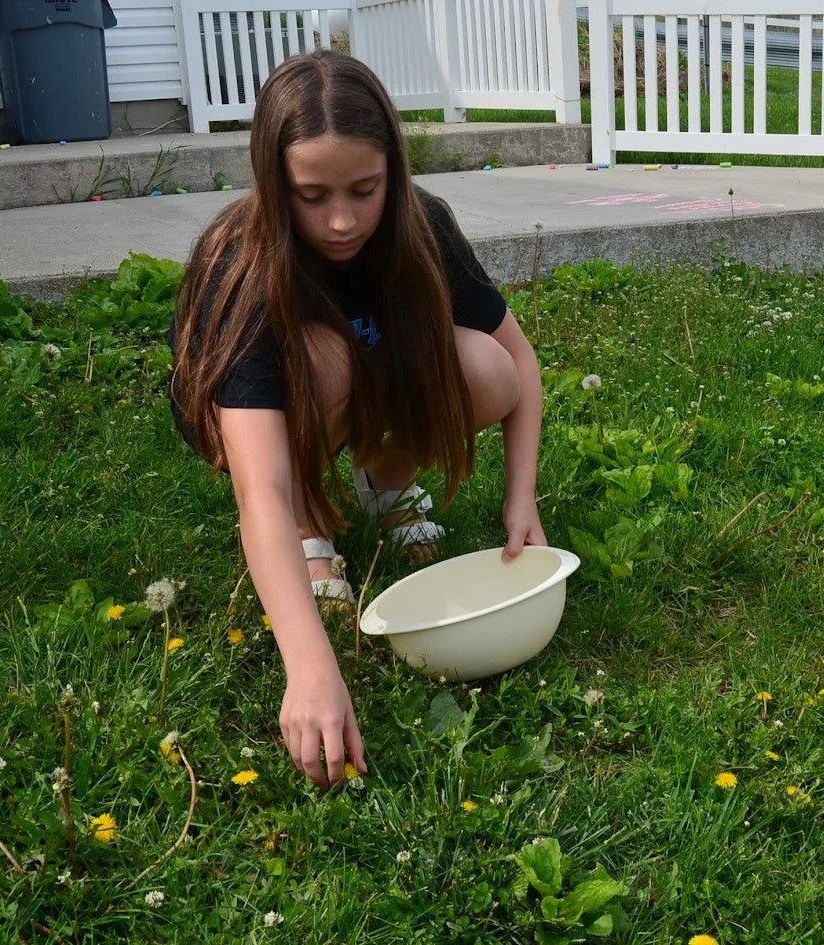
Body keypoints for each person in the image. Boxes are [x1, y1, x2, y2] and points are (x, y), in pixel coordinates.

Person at [167, 51, 546, 790]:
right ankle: (317, 530)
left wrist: (521, 496)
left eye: (364, 190)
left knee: (481, 367)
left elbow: (520, 368)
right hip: (250, 414)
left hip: (357, 377)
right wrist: (309, 666)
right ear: (274, 185)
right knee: (327, 357)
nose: (341, 220)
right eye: (311, 196)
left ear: (393, 175)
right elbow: (259, 493)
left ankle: (385, 481)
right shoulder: (240, 265)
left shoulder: (422, 226)